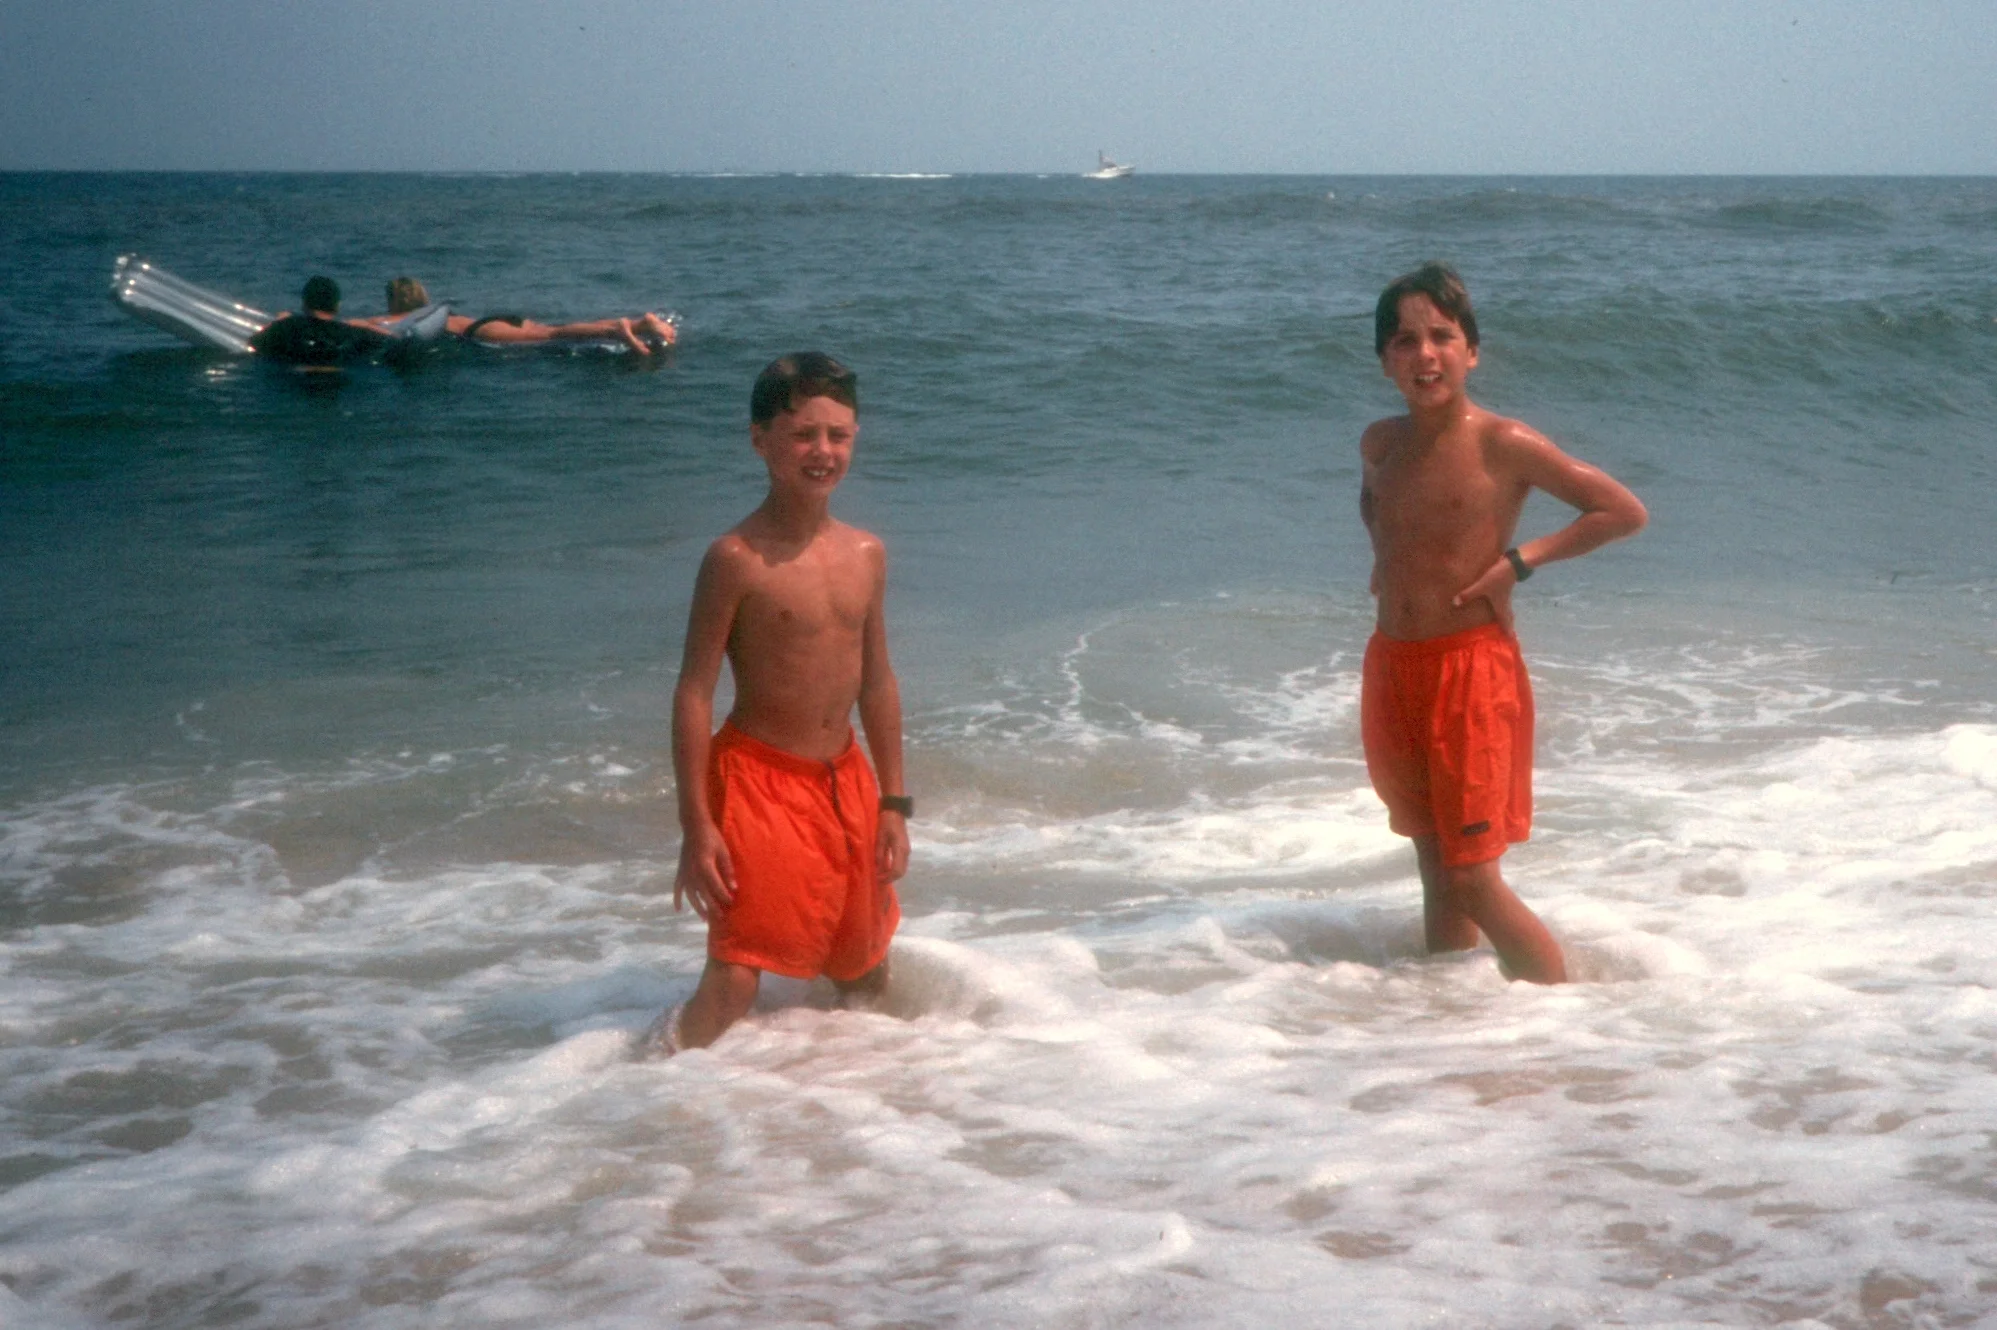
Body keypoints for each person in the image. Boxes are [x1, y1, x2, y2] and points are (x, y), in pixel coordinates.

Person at [1359, 262, 1647, 984]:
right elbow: (1376, 504)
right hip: (1394, 665)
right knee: (1431, 857)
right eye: (1403, 340)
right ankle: (1454, 1022)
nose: (1423, 354)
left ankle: (1562, 1025)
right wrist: (1385, 561)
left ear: (1470, 350)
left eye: (1441, 336)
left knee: (1472, 877)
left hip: (1468, 668)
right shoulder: (1379, 444)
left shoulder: (1502, 443)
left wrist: (1519, 561)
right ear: (1383, 360)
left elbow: (1619, 511)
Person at [647, 352, 910, 1053]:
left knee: (863, 970)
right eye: (803, 435)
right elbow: (693, 692)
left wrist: (893, 801)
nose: (822, 451)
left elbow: (878, 682)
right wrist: (696, 825)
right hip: (760, 783)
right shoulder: (735, 558)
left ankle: (829, 1104)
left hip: (845, 782)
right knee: (736, 977)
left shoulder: (865, 553)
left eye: (839, 435)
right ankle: (647, 1090)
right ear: (759, 439)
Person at [372, 277, 678, 355]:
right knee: (554, 329)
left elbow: (373, 324)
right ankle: (639, 324)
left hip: (482, 333)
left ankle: (617, 331)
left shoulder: (410, 319)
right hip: (497, 320)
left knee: (553, 335)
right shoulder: (440, 312)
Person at [249, 276, 392, 366]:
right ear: (337, 306)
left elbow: (253, 344)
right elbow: (396, 341)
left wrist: (277, 322)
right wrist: (367, 325)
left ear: (304, 304)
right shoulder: (353, 332)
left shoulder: (286, 327)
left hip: (295, 378)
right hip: (340, 375)